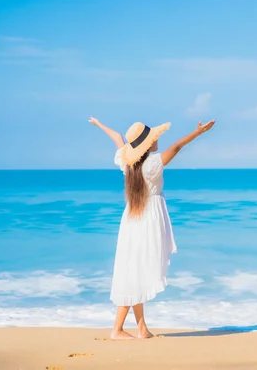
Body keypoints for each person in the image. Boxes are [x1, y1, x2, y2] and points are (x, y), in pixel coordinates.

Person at [89, 117, 216, 340]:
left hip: (131, 220)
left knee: (136, 270)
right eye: (153, 138)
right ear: (147, 145)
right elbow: (177, 146)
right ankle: (117, 329)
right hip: (147, 220)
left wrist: (99, 125)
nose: (156, 140)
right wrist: (198, 133)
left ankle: (141, 329)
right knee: (137, 272)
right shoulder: (153, 163)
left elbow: (118, 137)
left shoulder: (127, 163)